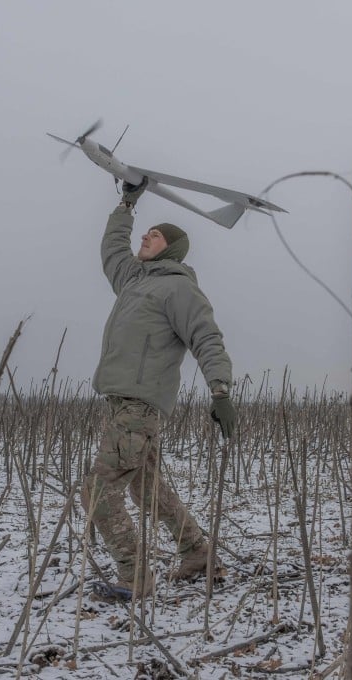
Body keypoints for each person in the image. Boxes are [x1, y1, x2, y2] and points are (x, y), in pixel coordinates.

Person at [80, 177, 238, 601]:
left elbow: (207, 337)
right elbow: (112, 249)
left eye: (156, 235)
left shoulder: (178, 287)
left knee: (97, 490)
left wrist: (220, 390)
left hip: (139, 406)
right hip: (122, 404)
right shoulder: (134, 281)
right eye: (147, 232)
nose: (147, 236)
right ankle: (198, 555)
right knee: (144, 487)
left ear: (169, 249)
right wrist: (126, 205)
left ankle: (134, 576)